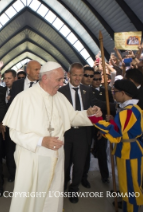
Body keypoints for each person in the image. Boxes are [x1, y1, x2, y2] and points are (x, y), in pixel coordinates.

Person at [2, 61, 102, 212]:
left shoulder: (59, 97)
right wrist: (41, 141)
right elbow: (15, 133)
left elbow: (72, 117)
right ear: (45, 78)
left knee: (52, 197)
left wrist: (89, 114)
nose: (62, 83)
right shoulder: (24, 98)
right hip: (33, 158)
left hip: (56, 156)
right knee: (32, 199)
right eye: (59, 80)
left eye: (63, 79)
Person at [89, 79, 143, 212]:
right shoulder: (131, 109)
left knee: (131, 187)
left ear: (123, 93)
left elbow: (115, 133)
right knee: (126, 185)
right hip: (126, 149)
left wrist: (95, 119)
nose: (113, 94)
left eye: (114, 91)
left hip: (130, 151)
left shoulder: (129, 111)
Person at [59, 63, 105, 202]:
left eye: (80, 75)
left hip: (83, 134)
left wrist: (98, 110)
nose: (78, 78)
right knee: (64, 163)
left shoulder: (87, 90)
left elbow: (93, 105)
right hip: (66, 133)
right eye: (75, 75)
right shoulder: (61, 92)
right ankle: (63, 185)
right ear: (69, 75)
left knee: (79, 164)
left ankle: (74, 189)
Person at [90, 71, 114, 183]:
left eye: (99, 79)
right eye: (95, 79)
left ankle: (105, 175)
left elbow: (111, 107)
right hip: (89, 124)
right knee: (85, 151)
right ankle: (84, 175)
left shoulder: (107, 92)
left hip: (102, 124)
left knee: (102, 151)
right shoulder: (87, 91)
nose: (97, 81)